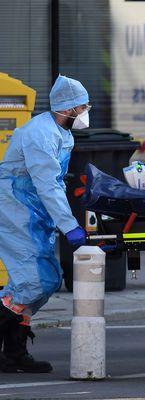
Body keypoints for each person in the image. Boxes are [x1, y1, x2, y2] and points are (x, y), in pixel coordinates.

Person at [0, 75, 90, 373]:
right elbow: (46, 186)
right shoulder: (41, 134)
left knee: (47, 281)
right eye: (82, 106)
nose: (85, 111)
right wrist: (70, 226)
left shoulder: (62, 133)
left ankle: (14, 353)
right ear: (67, 107)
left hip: (34, 210)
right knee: (31, 283)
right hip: (16, 207)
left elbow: (53, 182)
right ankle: (12, 351)